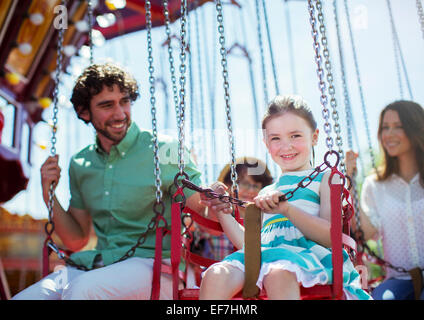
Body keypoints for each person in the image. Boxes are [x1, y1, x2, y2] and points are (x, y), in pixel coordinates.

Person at [12, 63, 230, 300]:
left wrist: (212, 196)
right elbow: (76, 240)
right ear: (85, 112)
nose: (119, 114)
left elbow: (200, 206)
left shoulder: (166, 149)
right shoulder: (81, 163)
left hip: (157, 268)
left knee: (83, 292)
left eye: (124, 102)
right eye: (107, 105)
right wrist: (49, 196)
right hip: (98, 265)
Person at [199, 94, 371, 300]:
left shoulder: (325, 179)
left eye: (295, 136)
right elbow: (250, 245)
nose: (285, 146)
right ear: (266, 143)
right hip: (262, 258)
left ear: (314, 137)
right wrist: (222, 209)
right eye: (275, 138)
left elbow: (330, 235)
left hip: (308, 258)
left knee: (278, 272)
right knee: (215, 275)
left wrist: (288, 210)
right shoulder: (266, 192)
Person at [346, 100, 424, 300]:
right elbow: (366, 232)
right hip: (399, 278)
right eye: (385, 128)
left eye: (398, 127)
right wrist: (350, 181)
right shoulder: (375, 185)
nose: (389, 134)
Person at [192, 157, 273, 261]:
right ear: (229, 185)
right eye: (244, 183)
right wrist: (215, 201)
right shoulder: (218, 211)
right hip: (217, 272)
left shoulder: (266, 220)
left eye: (256, 186)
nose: (251, 190)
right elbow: (206, 224)